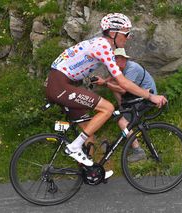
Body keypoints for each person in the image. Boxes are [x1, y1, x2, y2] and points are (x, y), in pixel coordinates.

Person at [45, 13, 167, 179]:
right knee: (108, 108)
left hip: (62, 84)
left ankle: (89, 173)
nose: (128, 37)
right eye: (126, 34)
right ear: (113, 33)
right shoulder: (103, 46)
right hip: (60, 84)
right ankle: (74, 147)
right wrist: (151, 97)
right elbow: (123, 83)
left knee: (89, 134)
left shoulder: (102, 46)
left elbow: (116, 80)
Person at [92, 48, 158, 162]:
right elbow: (113, 78)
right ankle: (124, 110)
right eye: (112, 59)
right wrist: (103, 81)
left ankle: (138, 151)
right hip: (136, 96)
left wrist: (105, 83)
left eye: (115, 59)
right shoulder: (121, 68)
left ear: (123, 59)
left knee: (122, 122)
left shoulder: (132, 68)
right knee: (113, 85)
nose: (112, 62)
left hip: (147, 97)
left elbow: (123, 89)